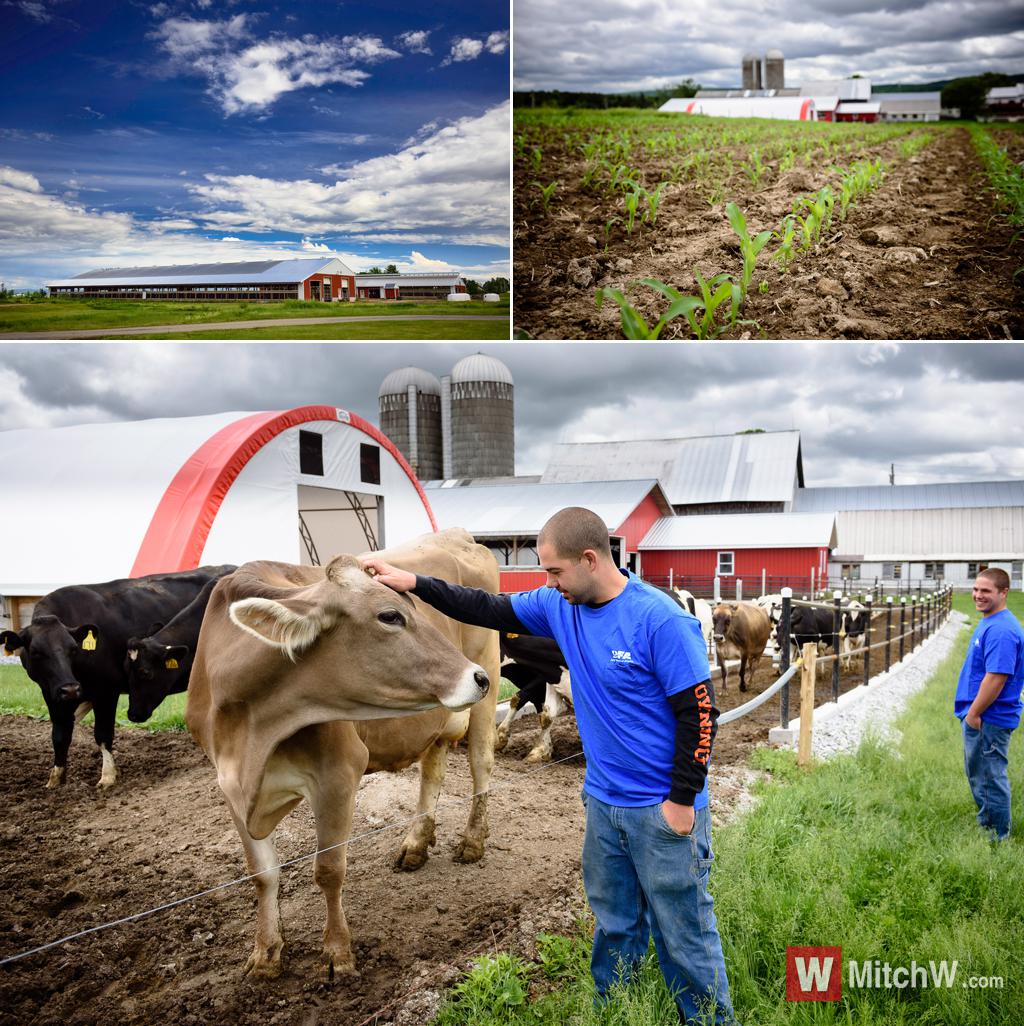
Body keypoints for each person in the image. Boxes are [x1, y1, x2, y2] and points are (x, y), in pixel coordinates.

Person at [361, 507, 735, 1024]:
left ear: (590, 559)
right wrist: (415, 582)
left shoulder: (660, 620)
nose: (547, 582)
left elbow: (700, 716)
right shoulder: (561, 606)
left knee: (684, 931)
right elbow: (486, 607)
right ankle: (618, 1011)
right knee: (616, 924)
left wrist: (680, 801)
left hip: (662, 812)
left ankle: (709, 1020)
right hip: (604, 805)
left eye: (554, 571)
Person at [954, 567, 1024, 841]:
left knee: (990, 776)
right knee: (981, 773)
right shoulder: (991, 622)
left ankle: (997, 836)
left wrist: (973, 714)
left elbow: (996, 678)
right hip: (984, 715)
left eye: (986, 591)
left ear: (1003, 592)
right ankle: (987, 822)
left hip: (988, 717)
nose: (977, 595)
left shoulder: (1002, 631)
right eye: (975, 589)